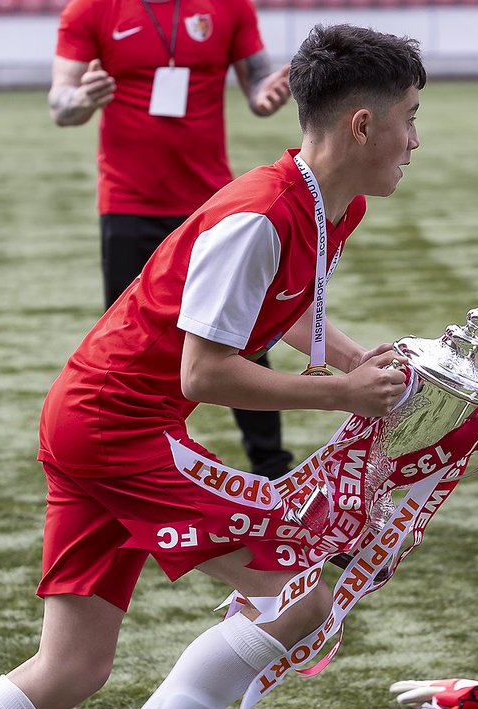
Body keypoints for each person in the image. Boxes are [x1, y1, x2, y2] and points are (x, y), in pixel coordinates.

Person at [0, 24, 425, 709]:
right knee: (301, 590)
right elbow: (203, 373)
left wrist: (358, 361)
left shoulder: (329, 206)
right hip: (115, 429)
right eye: (410, 114)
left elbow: (292, 310)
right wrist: (341, 394)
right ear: (362, 124)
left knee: (73, 669)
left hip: (96, 421)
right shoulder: (260, 215)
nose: (415, 137)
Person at [48, 0, 296, 479]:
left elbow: (257, 85)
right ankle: (125, 459)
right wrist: (82, 100)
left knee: (241, 336)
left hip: (213, 205)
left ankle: (273, 470)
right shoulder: (90, 10)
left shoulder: (230, 7)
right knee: (129, 343)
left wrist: (267, 96)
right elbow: (62, 103)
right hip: (127, 202)